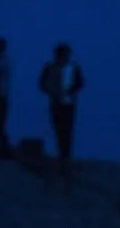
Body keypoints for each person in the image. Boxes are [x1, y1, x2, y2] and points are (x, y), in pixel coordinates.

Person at [39, 42, 85, 184]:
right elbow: (42, 84)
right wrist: (52, 91)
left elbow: (80, 83)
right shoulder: (49, 67)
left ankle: (66, 159)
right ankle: (62, 158)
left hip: (69, 103)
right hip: (55, 103)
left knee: (67, 130)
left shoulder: (73, 67)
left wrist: (69, 91)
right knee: (59, 130)